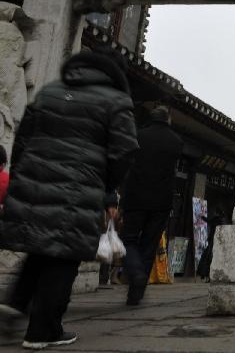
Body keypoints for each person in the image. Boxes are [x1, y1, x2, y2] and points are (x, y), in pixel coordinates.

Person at [0, 48, 139, 349]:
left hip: (34, 181)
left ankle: (12, 305)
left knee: (39, 248)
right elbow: (124, 150)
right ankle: (43, 331)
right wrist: (106, 183)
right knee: (64, 254)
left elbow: (22, 138)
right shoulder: (116, 101)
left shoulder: (50, 92)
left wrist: (25, 174)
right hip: (80, 186)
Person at [119, 105, 183, 306]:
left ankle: (135, 273)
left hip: (135, 197)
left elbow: (127, 165)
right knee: (149, 245)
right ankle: (136, 294)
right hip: (161, 201)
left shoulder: (138, 136)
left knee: (128, 240)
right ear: (168, 119)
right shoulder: (176, 141)